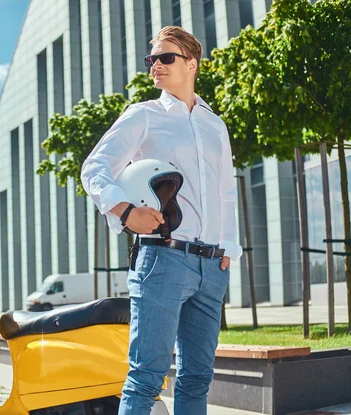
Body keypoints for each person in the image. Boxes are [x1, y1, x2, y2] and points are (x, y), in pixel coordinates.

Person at [81, 26, 243, 415]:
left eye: (165, 57)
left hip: (211, 265)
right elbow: (95, 168)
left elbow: (226, 192)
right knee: (146, 378)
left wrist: (229, 250)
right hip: (162, 262)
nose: (155, 65)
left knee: (197, 378)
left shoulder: (214, 125)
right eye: (150, 59)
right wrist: (124, 211)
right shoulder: (144, 115)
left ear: (191, 63)